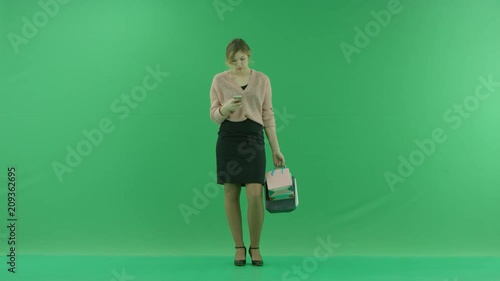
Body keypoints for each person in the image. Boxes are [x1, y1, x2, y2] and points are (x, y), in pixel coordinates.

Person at [209, 38, 285, 266]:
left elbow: (268, 115)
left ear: (249, 54)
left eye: (242, 59)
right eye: (233, 61)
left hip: (254, 137)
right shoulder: (219, 80)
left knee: (254, 194)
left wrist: (276, 149)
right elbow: (213, 115)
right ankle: (239, 247)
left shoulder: (262, 80)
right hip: (228, 137)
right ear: (227, 61)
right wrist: (225, 109)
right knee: (231, 193)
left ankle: (256, 246)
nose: (239, 64)